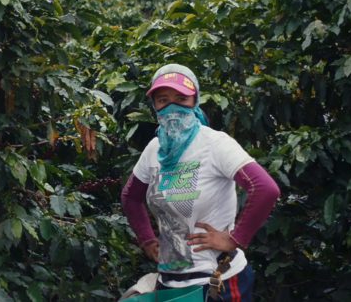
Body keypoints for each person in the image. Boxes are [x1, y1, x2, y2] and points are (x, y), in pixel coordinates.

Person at [120, 64, 280, 301]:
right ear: (154, 105)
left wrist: (235, 239)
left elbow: (265, 189)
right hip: (171, 281)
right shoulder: (155, 150)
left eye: (181, 98)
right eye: (163, 99)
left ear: (195, 100)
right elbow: (131, 197)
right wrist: (147, 240)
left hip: (217, 282)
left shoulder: (214, 144)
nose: (171, 106)